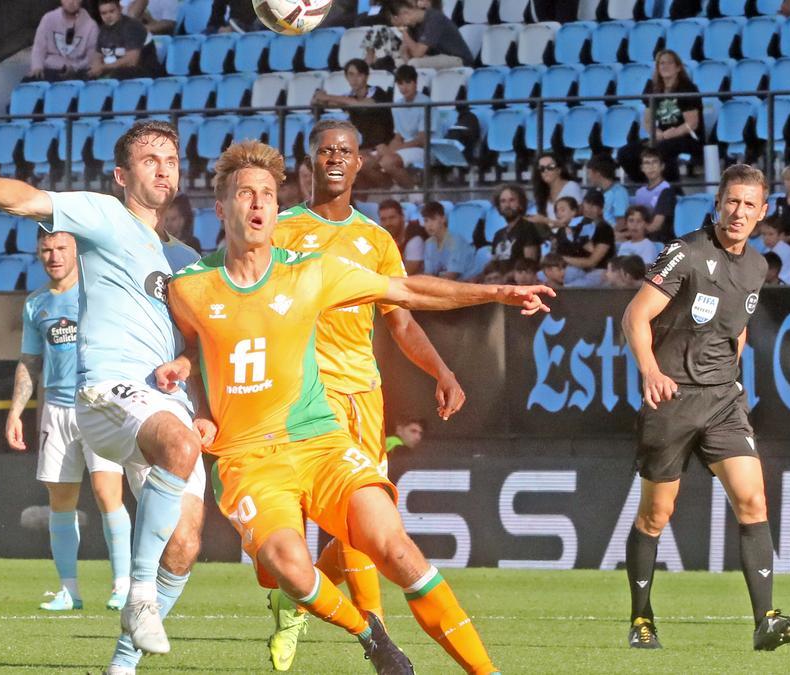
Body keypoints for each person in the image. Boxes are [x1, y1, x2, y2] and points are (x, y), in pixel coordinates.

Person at [160, 139, 553, 674]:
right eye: (244, 193)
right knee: (292, 571)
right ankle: (371, 634)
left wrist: (494, 294)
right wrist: (195, 397)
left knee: (395, 547)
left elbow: (407, 292)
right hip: (249, 459)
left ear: (278, 209)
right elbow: (191, 349)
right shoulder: (188, 287)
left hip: (320, 440)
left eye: (267, 195)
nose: (256, 204)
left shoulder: (310, 270)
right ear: (221, 207)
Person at [0, 121, 209, 664]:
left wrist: (190, 371)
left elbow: (202, 344)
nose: (164, 167)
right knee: (178, 449)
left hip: (165, 404)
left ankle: (122, 661)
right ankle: (136, 592)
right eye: (150, 159)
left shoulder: (188, 260)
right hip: (107, 390)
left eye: (171, 158)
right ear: (122, 175)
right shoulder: (106, 215)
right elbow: (27, 201)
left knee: (186, 542)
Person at [267, 119, 467, 672]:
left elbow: (401, 323)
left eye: (346, 151)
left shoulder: (376, 240)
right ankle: (376, 638)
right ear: (310, 161)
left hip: (365, 396)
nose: (335, 157)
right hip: (306, 395)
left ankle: (292, 599)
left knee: (364, 527)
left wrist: (442, 372)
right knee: (353, 521)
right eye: (326, 149)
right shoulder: (280, 230)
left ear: (359, 164)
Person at [621, 163, 790, 652]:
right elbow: (635, 314)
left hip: (723, 399)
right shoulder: (684, 253)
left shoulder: (757, 267)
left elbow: (737, 329)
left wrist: (729, 376)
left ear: (763, 212)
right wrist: (651, 371)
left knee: (753, 501)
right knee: (656, 516)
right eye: (732, 201)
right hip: (672, 399)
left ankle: (765, 620)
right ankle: (641, 619)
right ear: (717, 203)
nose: (739, 211)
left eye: (750, 204)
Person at [8, 229, 132, 614]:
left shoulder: (97, 293)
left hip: (97, 403)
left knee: (107, 492)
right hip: (56, 410)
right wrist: (16, 411)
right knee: (60, 501)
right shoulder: (37, 304)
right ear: (38, 253)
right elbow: (30, 361)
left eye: (61, 248)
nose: (54, 256)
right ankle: (69, 590)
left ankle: (124, 584)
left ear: (75, 250)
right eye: (46, 249)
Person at [618, 50, 702, 183]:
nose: (664, 66)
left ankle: (672, 189)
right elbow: (647, 120)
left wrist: (671, 134)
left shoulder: (687, 88)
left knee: (662, 149)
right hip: (662, 137)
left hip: (687, 137)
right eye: (661, 63)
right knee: (625, 152)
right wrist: (655, 132)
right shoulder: (653, 88)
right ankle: (646, 185)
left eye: (669, 63)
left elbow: (692, 123)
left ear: (678, 67)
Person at [312, 59, 395, 185]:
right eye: (351, 75)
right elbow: (325, 104)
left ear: (366, 76)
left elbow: (362, 105)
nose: (355, 79)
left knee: (359, 163)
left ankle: (388, 187)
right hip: (365, 146)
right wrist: (317, 98)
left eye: (359, 75)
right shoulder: (348, 97)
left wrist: (327, 97)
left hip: (385, 144)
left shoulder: (377, 92)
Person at [376, 65, 430, 189]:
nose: (404, 87)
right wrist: (388, 149)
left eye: (408, 82)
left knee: (387, 162)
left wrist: (397, 149)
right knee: (368, 161)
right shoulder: (397, 105)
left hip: (426, 149)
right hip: (405, 148)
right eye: (400, 83)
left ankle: (415, 193)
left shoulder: (426, 102)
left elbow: (422, 139)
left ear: (415, 83)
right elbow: (398, 136)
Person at [389, 0, 474, 70]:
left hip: (457, 58)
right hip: (437, 57)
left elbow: (417, 53)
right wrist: (407, 62)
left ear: (405, 13)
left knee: (414, 63)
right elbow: (404, 51)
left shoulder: (434, 18)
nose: (402, 24)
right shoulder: (413, 25)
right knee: (398, 63)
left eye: (401, 21)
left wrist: (403, 30)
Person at [28, 0, 99, 82]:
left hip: (77, 72)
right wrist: (37, 66)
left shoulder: (91, 26)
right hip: (48, 69)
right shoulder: (48, 18)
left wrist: (75, 68)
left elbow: (91, 57)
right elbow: (39, 48)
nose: (71, 2)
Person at [90, 0, 155, 81]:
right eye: (104, 13)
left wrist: (103, 67)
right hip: (115, 70)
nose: (108, 16)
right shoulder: (104, 30)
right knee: (82, 75)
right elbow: (98, 53)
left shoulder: (133, 27)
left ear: (120, 9)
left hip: (144, 71)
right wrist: (96, 66)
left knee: (118, 74)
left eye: (111, 11)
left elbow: (131, 61)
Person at [561, 190, 615, 287]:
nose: (589, 208)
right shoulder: (577, 225)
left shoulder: (605, 229)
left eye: (594, 205)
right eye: (587, 203)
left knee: (568, 287)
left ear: (601, 209)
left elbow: (592, 262)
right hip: (578, 269)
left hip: (599, 271)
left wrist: (562, 259)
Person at [632, 149, 680, 243]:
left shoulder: (667, 190)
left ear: (662, 166)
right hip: (642, 235)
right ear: (642, 168)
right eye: (647, 163)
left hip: (660, 240)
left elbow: (656, 226)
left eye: (654, 162)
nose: (651, 167)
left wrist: (632, 232)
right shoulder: (639, 192)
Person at [489, 183, 542, 266]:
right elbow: (493, 265)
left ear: (521, 204)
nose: (507, 205)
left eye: (512, 200)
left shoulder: (528, 228)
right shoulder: (498, 234)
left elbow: (530, 265)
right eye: (503, 201)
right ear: (499, 206)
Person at [421, 201, 476, 280]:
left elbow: (451, 276)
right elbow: (428, 275)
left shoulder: (456, 241)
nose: (429, 225)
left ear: (443, 219)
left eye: (433, 219)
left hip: (467, 284)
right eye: (426, 220)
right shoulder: (428, 244)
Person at [529, 153, 584, 229]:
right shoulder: (541, 192)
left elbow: (575, 219)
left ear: (559, 170)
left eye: (550, 167)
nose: (545, 171)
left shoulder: (571, 186)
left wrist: (545, 221)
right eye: (541, 168)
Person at [380, 198, 426, 275]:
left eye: (392, 218)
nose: (388, 223)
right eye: (383, 219)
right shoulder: (381, 235)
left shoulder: (414, 237)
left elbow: (406, 273)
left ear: (402, 217)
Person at [587, 154, 630, 228]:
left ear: (598, 174)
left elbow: (622, 223)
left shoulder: (619, 192)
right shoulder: (596, 192)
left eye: (589, 173)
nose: (588, 177)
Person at [759, 219, 790, 285]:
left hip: (787, 286)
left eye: (771, 234)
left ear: (781, 235)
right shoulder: (767, 250)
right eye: (763, 234)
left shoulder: (783, 250)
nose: (766, 238)